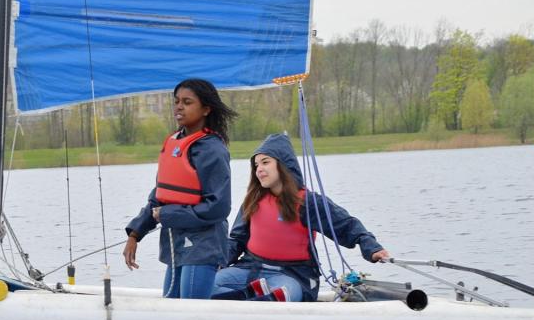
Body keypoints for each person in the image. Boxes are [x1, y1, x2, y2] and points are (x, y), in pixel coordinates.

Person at [211, 133, 389, 302]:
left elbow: (346, 225)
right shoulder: (253, 200)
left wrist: (371, 247)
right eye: (256, 165)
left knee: (284, 293)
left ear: (283, 165)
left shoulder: (308, 202)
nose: (259, 169)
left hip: (292, 275)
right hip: (250, 268)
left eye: (265, 162)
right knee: (206, 284)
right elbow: (236, 240)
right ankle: (250, 294)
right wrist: (216, 263)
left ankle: (250, 296)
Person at [123, 79, 237, 299]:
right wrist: (135, 234)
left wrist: (168, 215)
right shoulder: (173, 144)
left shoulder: (212, 150)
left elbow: (218, 207)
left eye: (187, 102)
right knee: (171, 308)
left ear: (206, 109)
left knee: (190, 312)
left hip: (203, 246)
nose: (179, 107)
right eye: (176, 102)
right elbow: (159, 196)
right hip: (176, 246)